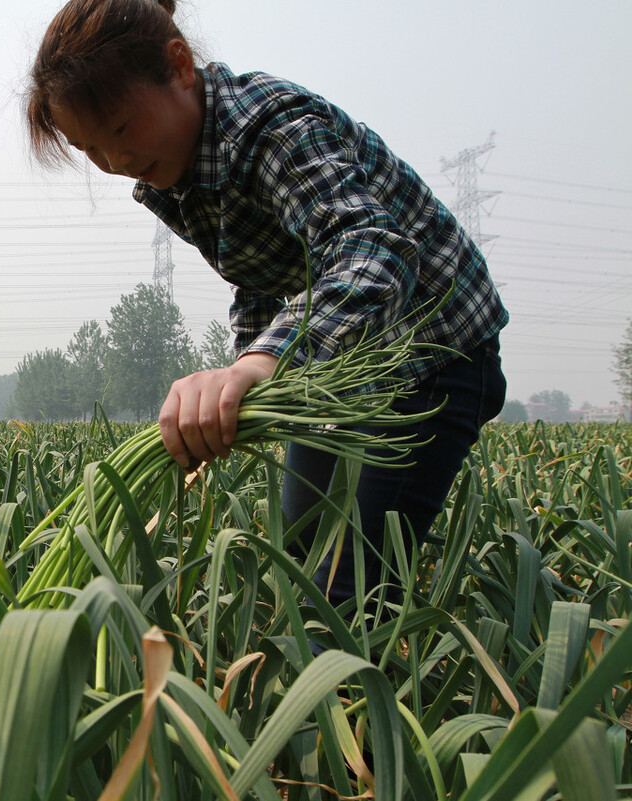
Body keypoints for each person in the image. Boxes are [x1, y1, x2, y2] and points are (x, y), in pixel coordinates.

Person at [25, 0, 508, 613]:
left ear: (179, 67)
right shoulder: (173, 168)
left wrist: (258, 365)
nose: (114, 163)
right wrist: (248, 373)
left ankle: (347, 699)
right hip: (340, 368)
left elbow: (372, 247)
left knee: (345, 590)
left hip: (433, 352)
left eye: (119, 130)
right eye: (88, 148)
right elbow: (261, 273)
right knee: (300, 541)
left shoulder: (269, 127)